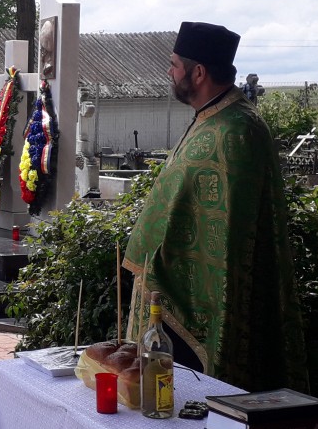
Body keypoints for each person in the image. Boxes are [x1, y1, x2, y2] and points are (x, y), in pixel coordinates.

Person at [122, 21, 307, 392]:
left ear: (199, 72)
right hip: (171, 286)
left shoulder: (239, 130)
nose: (169, 73)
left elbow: (230, 233)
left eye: (174, 65)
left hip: (199, 297)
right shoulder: (210, 117)